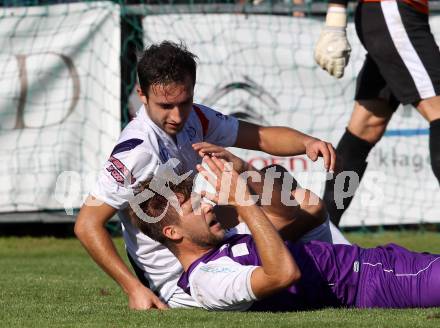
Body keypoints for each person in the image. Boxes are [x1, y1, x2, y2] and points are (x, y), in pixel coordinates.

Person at [74, 41, 337, 310]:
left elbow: (259, 136)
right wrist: (134, 289)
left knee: (276, 179)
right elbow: (86, 224)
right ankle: (332, 280)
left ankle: (329, 270)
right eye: (165, 105)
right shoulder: (137, 153)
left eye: (184, 102)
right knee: (305, 204)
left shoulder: (195, 117)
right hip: (180, 276)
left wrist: (306, 142)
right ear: (142, 94)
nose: (177, 116)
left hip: (199, 239)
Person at [130, 152, 440, 311]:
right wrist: (244, 202)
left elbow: (296, 209)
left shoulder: (222, 246)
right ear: (172, 233)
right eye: (194, 208)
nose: (207, 206)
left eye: (201, 199)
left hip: (376, 262)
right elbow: (281, 274)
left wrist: (244, 175)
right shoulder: (207, 282)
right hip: (369, 283)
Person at [314, 0, 440, 226]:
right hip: (393, 11)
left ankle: (322, 230)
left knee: (365, 126)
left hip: (395, 15)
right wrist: (335, 17)